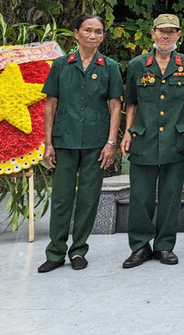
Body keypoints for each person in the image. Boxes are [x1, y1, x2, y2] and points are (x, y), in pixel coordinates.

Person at [37, 15, 122, 273]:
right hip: (65, 140)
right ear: (76, 33)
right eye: (87, 30)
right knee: (62, 197)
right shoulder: (62, 65)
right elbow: (50, 104)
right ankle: (55, 252)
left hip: (96, 143)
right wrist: (48, 143)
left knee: (88, 198)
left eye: (98, 31)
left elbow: (116, 105)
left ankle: (78, 251)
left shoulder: (109, 67)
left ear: (103, 37)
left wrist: (111, 142)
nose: (92, 35)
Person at [120, 13, 184, 268]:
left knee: (170, 195)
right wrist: (127, 131)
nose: (166, 35)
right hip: (144, 137)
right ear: (153, 33)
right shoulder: (137, 65)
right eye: (161, 31)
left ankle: (165, 246)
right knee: (141, 196)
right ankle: (140, 246)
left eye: (171, 31)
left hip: (176, 138)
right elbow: (131, 102)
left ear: (179, 35)